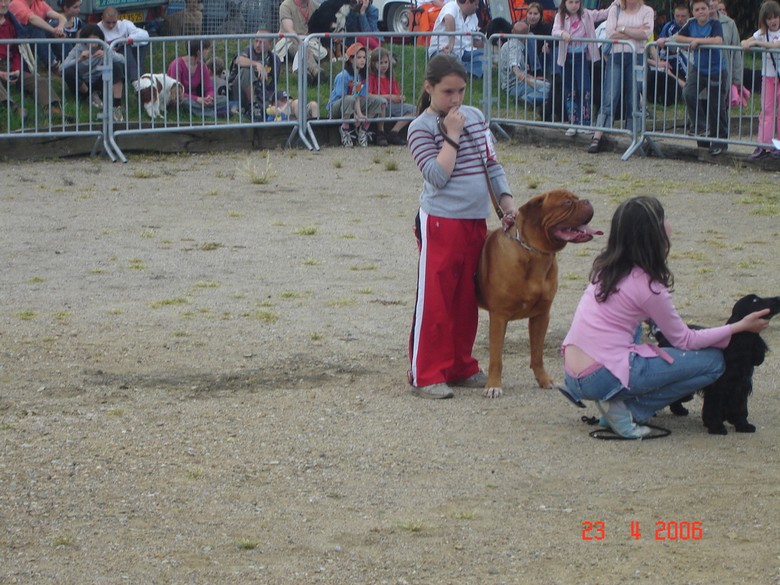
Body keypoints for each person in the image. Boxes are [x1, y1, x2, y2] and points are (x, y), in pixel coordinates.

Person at [561, 196, 771, 438]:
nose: (670, 223)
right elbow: (686, 340)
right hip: (601, 376)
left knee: (635, 330)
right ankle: (627, 410)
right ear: (654, 234)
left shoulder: (604, 268)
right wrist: (740, 326)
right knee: (714, 362)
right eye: (665, 218)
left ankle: (614, 403)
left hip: (573, 373)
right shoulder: (650, 287)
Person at [406, 53, 517, 399]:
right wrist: (452, 135)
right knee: (436, 297)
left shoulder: (476, 117)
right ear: (429, 88)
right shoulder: (419, 128)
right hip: (440, 220)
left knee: (466, 298)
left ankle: (459, 365)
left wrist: (507, 203)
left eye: (460, 91)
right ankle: (425, 374)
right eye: (447, 92)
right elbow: (437, 176)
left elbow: (491, 165)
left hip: (475, 221)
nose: (455, 100)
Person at [658, 0, 726, 156]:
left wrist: (698, 41)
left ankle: (719, 142)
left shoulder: (715, 23)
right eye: (697, 9)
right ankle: (700, 126)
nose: (701, 12)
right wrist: (689, 41)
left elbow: (718, 40)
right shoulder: (691, 24)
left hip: (716, 69)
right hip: (698, 69)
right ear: (693, 12)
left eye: (703, 8)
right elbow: (680, 37)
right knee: (688, 92)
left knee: (716, 106)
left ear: (709, 10)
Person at [588, 0, 653, 153]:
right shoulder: (614, 10)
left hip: (636, 57)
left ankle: (632, 136)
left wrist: (622, 29)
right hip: (616, 56)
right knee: (609, 96)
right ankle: (598, 136)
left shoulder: (647, 10)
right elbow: (610, 33)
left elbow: (646, 34)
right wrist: (634, 31)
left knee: (633, 97)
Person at [229, 29, 319, 119]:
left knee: (288, 102)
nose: (257, 45)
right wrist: (256, 64)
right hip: (239, 93)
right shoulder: (249, 50)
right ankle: (253, 107)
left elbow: (271, 85)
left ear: (270, 45)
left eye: (262, 42)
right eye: (256, 41)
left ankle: (304, 119)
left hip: (262, 94)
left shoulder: (274, 60)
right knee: (246, 71)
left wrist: (278, 101)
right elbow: (238, 60)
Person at [552, 0, 611, 136]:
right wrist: (562, 34)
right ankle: (573, 122)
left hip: (582, 57)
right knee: (569, 90)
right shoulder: (560, 16)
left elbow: (603, 14)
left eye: (577, 2)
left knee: (584, 89)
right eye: (571, 2)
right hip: (566, 58)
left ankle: (585, 122)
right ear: (565, 3)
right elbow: (554, 30)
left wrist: (616, 3)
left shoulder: (586, 14)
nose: (574, 5)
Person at [0, 0, 63, 118]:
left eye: (6, 1)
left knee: (38, 80)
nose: (3, 5)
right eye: (0, 2)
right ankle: (12, 109)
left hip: (10, 65)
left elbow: (17, 51)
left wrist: (17, 70)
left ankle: (52, 109)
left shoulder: (12, 23)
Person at [61, 24, 125, 122]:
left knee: (117, 66)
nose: (94, 44)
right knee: (68, 71)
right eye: (90, 40)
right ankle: (90, 96)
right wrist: (79, 59)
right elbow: (62, 68)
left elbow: (123, 60)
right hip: (82, 84)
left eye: (96, 40)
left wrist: (107, 54)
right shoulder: (78, 48)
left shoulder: (104, 47)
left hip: (100, 81)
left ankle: (116, 105)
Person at [741, 0, 780, 160]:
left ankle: (778, 144)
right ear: (764, 20)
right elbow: (744, 42)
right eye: (769, 18)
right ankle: (764, 145)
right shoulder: (762, 33)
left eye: (775, 17)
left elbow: (777, 45)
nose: (773, 21)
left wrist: (758, 43)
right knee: (767, 111)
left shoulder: (764, 37)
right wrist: (748, 43)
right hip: (769, 77)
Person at [327, 43, 386, 147]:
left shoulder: (360, 76)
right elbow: (343, 97)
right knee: (349, 99)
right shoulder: (343, 75)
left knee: (377, 100)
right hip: (336, 107)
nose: (363, 60)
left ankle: (363, 130)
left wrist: (360, 114)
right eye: (359, 57)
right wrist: (354, 115)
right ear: (351, 59)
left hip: (351, 103)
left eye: (364, 57)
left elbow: (357, 96)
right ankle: (344, 129)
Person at [491, 18, 551, 107]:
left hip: (513, 84)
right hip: (514, 86)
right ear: (527, 34)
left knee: (547, 86)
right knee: (551, 89)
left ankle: (530, 98)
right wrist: (519, 73)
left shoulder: (508, 44)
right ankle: (527, 99)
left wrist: (533, 78)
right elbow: (514, 63)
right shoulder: (515, 47)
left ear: (512, 31)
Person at [167, 39, 234, 119]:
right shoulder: (177, 65)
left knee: (224, 99)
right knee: (185, 102)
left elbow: (208, 88)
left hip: (198, 100)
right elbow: (176, 92)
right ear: (199, 52)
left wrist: (209, 97)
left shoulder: (202, 66)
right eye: (206, 49)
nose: (208, 51)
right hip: (180, 98)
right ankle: (214, 114)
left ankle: (203, 111)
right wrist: (197, 99)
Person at [367, 46, 414, 145]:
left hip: (392, 106)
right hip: (377, 106)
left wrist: (399, 98)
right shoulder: (371, 77)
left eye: (386, 62)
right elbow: (369, 94)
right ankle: (381, 132)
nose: (384, 65)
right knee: (382, 102)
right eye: (380, 63)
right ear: (373, 63)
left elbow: (395, 94)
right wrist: (390, 97)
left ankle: (394, 132)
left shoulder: (390, 77)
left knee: (414, 109)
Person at [428, 0, 485, 79]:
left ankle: (463, 71)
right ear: (468, 2)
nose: (477, 7)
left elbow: (476, 41)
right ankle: (464, 70)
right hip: (443, 50)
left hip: (464, 52)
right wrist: (451, 43)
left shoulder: (473, 16)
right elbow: (448, 18)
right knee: (448, 59)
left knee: (485, 55)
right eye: (476, 4)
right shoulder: (451, 6)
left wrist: (489, 46)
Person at [277, 0, 324, 84]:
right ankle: (316, 71)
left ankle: (306, 75)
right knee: (301, 49)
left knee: (309, 49)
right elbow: (289, 30)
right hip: (290, 40)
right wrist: (302, 45)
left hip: (310, 40)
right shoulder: (286, 5)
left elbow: (324, 22)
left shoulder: (315, 5)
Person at [98, 7, 149, 83]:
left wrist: (127, 40)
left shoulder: (124, 24)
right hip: (106, 57)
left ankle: (136, 78)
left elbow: (144, 35)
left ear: (117, 18)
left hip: (124, 52)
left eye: (114, 22)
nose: (111, 26)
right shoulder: (97, 28)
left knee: (127, 47)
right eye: (108, 22)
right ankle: (136, 79)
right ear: (102, 18)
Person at [48, 0, 83, 72]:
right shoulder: (54, 22)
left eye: (79, 7)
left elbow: (78, 42)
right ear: (66, 8)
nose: (78, 10)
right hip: (59, 55)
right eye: (75, 7)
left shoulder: (78, 21)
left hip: (73, 54)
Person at [525, 2, 553, 77]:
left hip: (542, 58)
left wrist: (547, 44)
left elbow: (554, 38)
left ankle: (538, 71)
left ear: (540, 15)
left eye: (535, 14)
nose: (532, 16)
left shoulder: (546, 27)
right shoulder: (523, 26)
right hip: (525, 57)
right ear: (526, 14)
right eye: (530, 13)